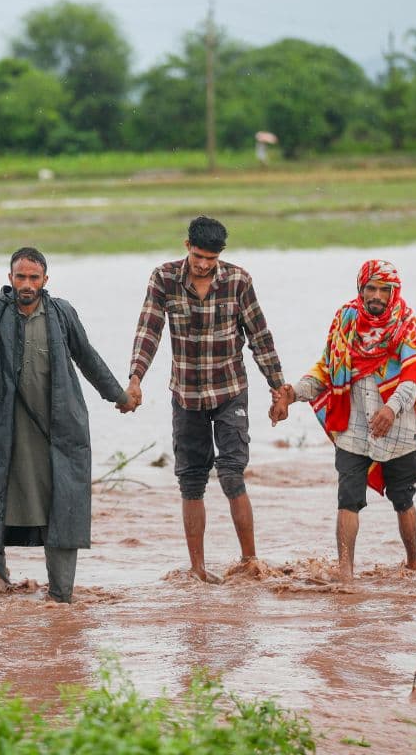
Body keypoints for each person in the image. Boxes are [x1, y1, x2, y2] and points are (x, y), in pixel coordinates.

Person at [0, 247, 137, 603]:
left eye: (34, 278)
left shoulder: (62, 314)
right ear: (10, 279)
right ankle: (0, 581)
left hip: (59, 432)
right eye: (21, 277)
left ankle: (61, 599)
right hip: (4, 434)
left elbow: (88, 358)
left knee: (64, 505)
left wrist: (119, 396)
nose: (27, 284)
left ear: (46, 280)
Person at [127, 216, 286, 583]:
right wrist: (135, 379)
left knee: (232, 475)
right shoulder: (164, 279)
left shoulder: (238, 281)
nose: (203, 265)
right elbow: (148, 330)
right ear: (187, 246)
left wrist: (278, 390)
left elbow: (260, 338)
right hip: (186, 394)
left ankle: (251, 563)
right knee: (191, 480)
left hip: (230, 390)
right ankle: (198, 569)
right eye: (198, 256)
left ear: (220, 257)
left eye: (210, 260)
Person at [270, 259, 416, 583]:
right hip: (353, 430)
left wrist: (392, 409)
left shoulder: (405, 323)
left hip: (399, 429)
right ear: (361, 289)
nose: (376, 295)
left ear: (393, 292)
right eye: (370, 288)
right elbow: (325, 369)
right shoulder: (346, 321)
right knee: (347, 499)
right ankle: (345, 572)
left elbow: (414, 376)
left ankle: (414, 563)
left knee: (403, 499)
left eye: (383, 289)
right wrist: (293, 394)